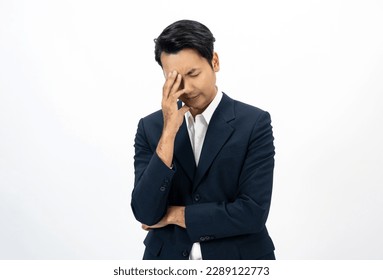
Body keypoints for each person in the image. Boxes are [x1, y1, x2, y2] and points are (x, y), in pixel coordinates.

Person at [131, 19, 276, 260]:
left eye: (193, 73)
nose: (186, 87)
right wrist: (168, 133)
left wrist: (175, 215)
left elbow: (252, 213)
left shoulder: (254, 123)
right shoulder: (150, 127)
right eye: (175, 79)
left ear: (215, 62)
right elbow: (145, 212)